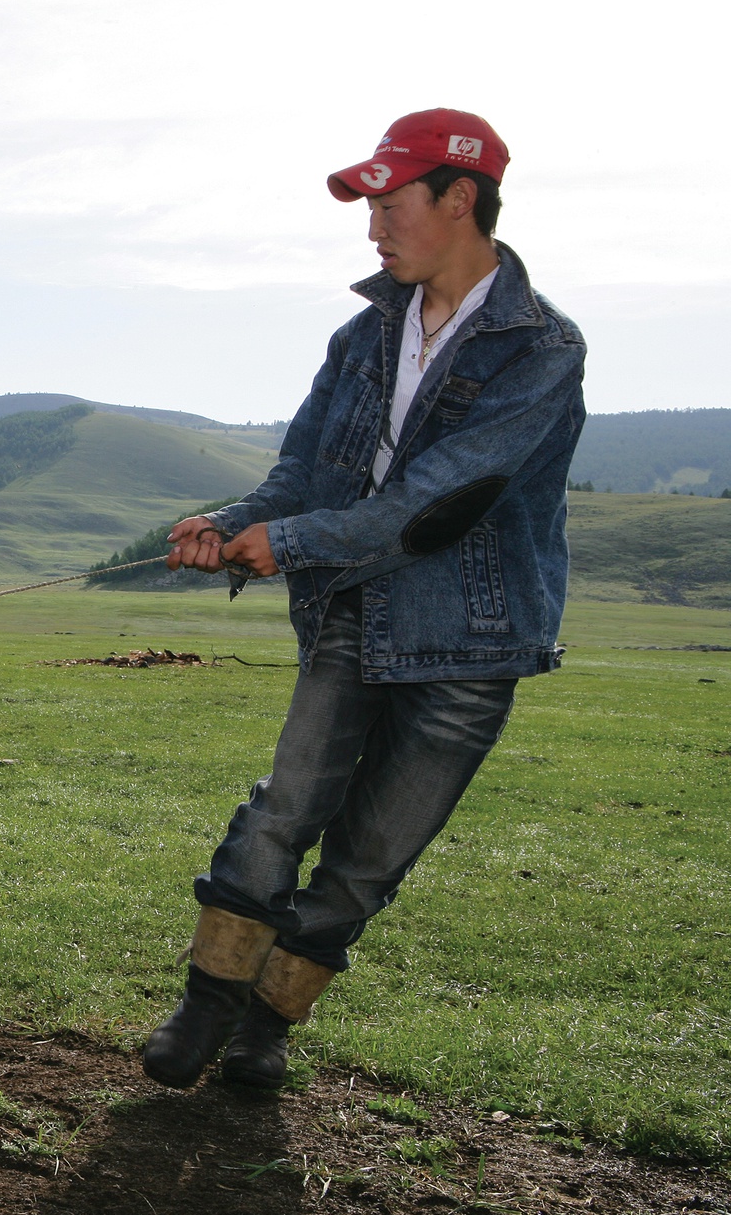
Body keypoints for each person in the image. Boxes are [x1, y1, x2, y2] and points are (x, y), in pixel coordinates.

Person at [141, 109, 586, 1090]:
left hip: (472, 641)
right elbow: (303, 474)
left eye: (390, 204)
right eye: (370, 207)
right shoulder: (360, 334)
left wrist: (286, 541)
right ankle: (206, 999)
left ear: (458, 198)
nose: (374, 229)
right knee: (283, 810)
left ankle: (265, 1024)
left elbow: (436, 502)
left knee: (371, 856)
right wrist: (230, 523)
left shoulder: (542, 351)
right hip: (351, 609)